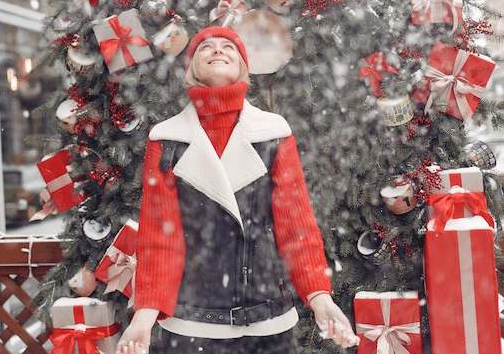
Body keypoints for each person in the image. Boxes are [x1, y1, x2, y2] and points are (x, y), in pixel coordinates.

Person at [116, 27, 359, 354]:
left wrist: (320, 299)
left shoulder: (274, 134)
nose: (218, 50)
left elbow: (296, 228)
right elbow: (160, 237)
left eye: (228, 46)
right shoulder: (166, 140)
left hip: (268, 319)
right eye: (207, 47)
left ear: (242, 64)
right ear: (192, 68)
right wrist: (143, 318)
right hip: (191, 324)